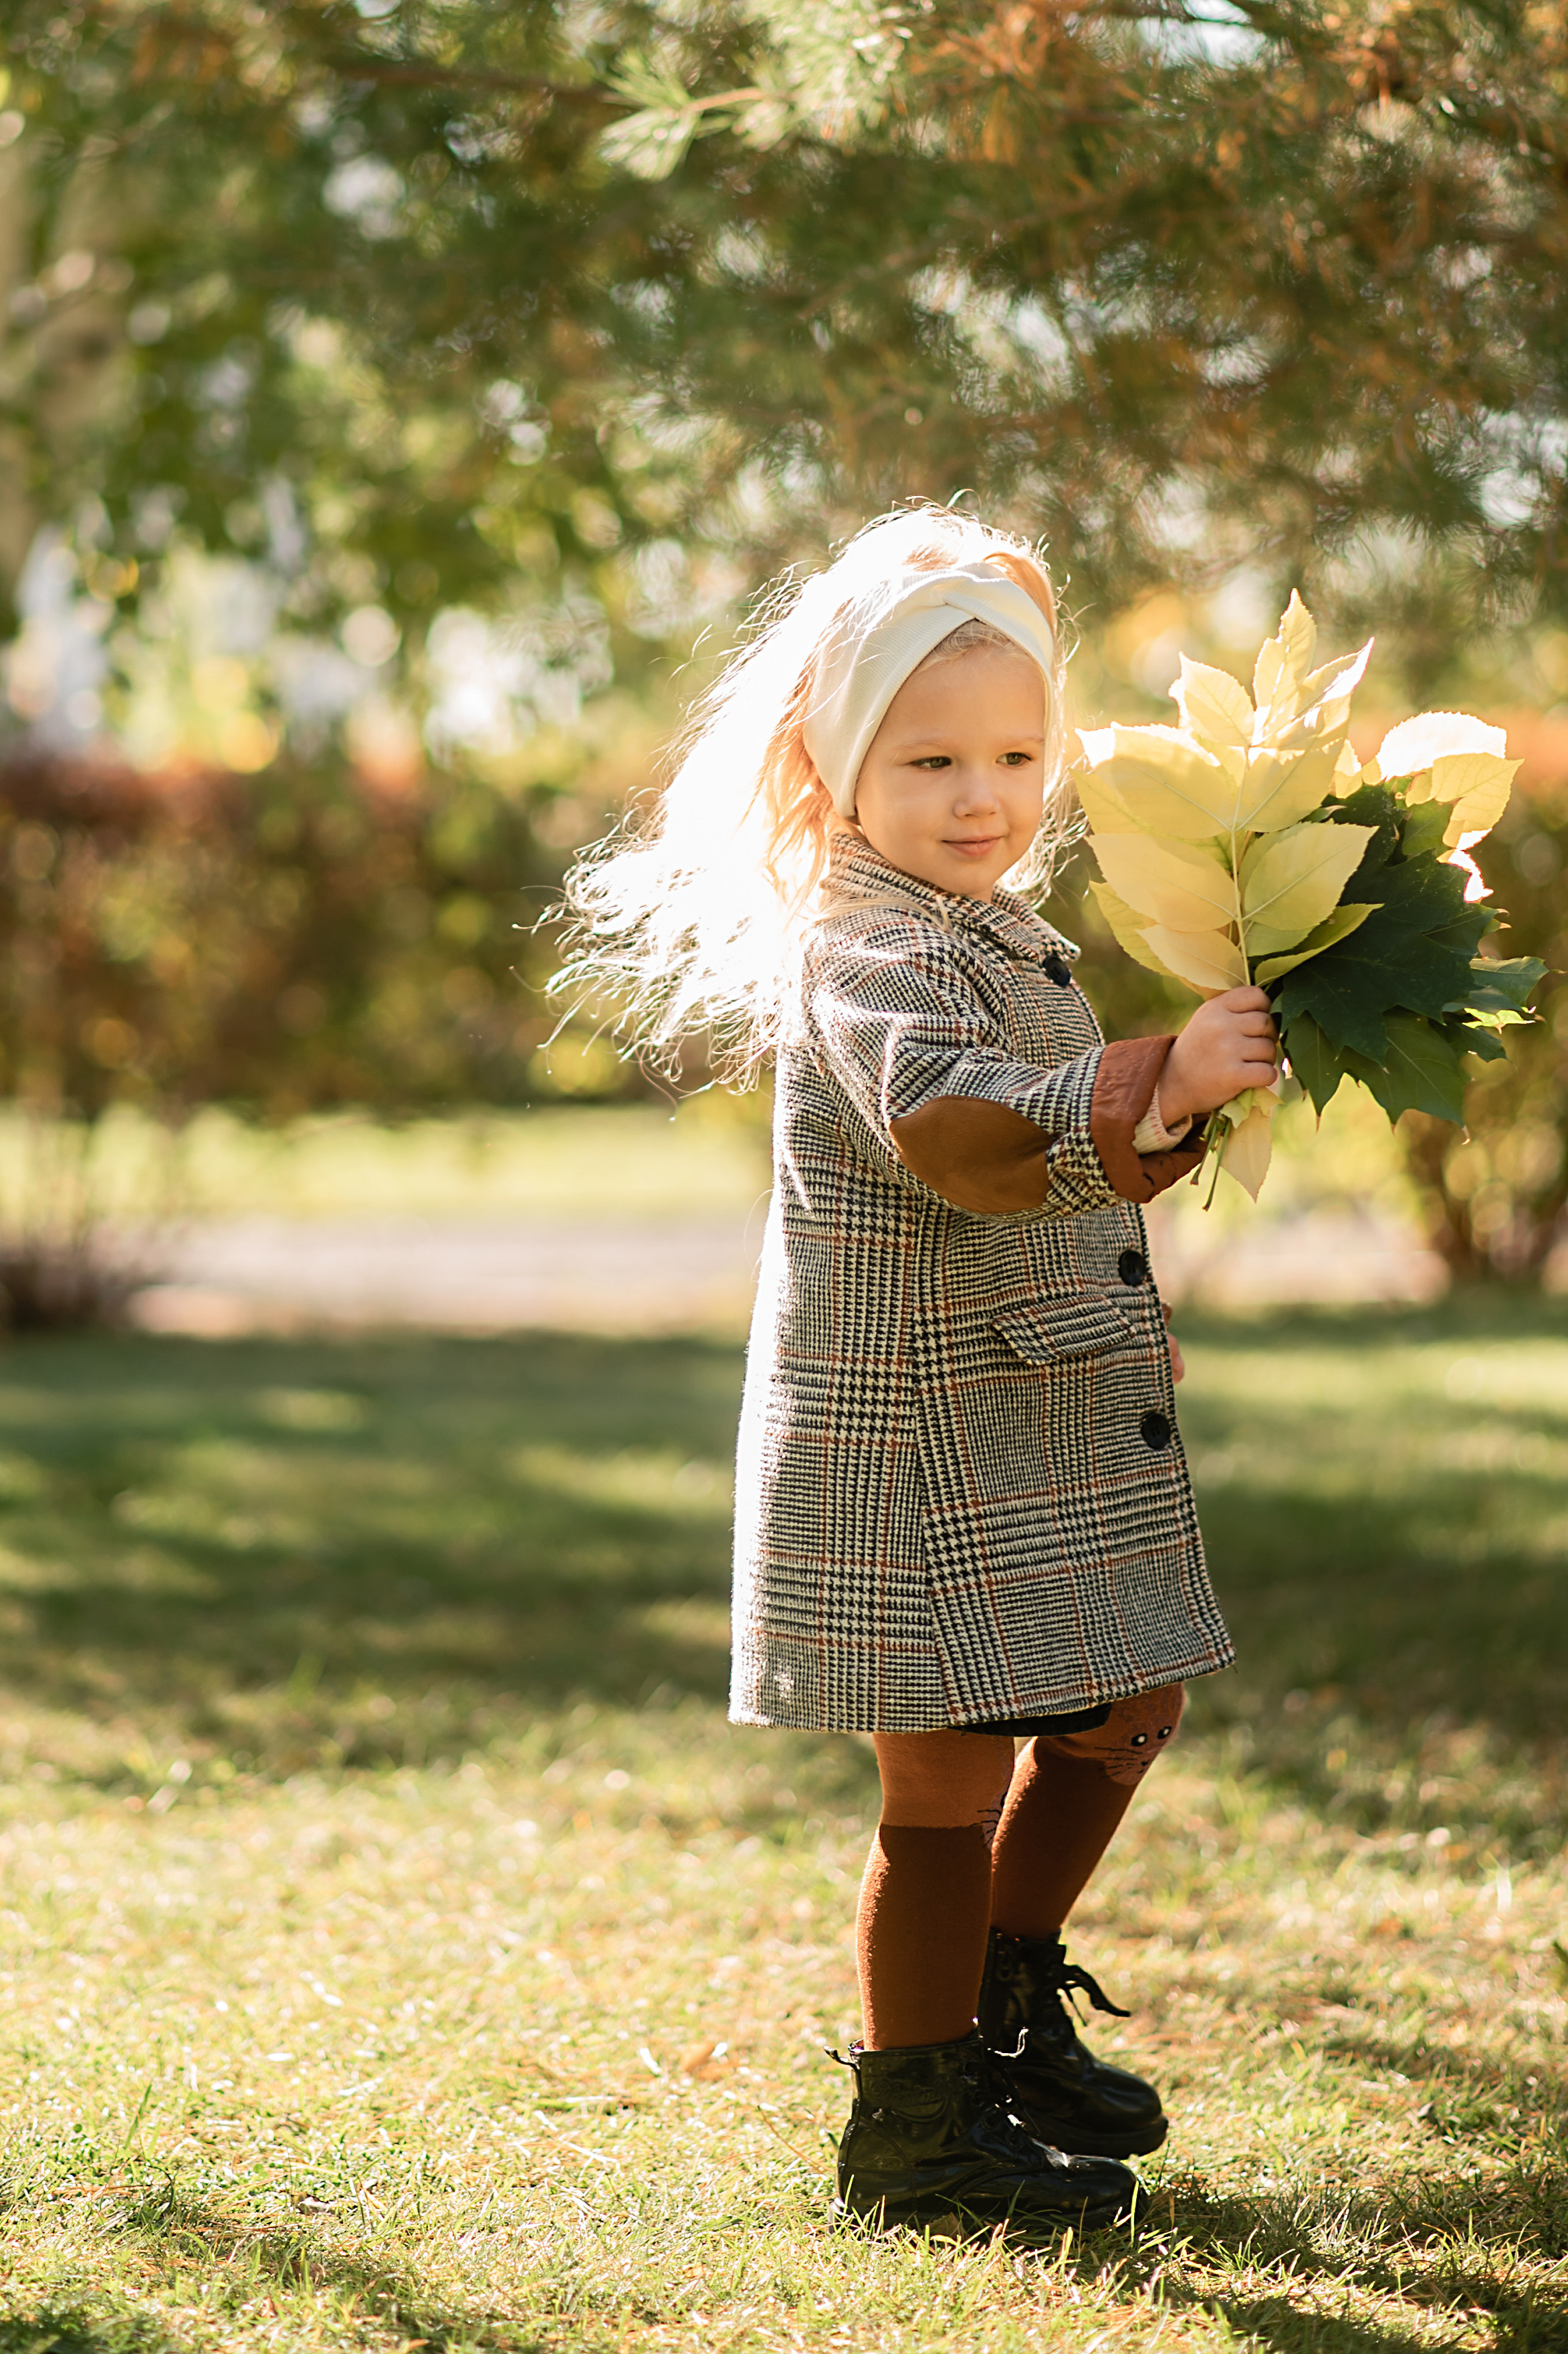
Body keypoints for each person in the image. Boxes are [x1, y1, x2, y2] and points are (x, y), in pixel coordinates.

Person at [562, 506, 1277, 2240]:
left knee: (1129, 1700)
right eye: (933, 758)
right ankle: (913, 2134)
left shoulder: (991, 928)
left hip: (1024, 1395)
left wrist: (1159, 1125)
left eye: (1019, 753)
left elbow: (1047, 1185)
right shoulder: (867, 951)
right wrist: (1140, 1080)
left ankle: (1001, 2005)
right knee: (943, 1780)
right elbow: (958, 1137)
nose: (983, 795)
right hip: (913, 1446)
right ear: (833, 773)